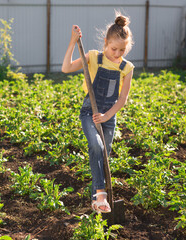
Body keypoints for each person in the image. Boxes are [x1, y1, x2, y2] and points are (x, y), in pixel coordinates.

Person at [61, 13, 134, 213]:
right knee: (95, 145)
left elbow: (122, 99)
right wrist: (72, 42)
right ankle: (101, 193)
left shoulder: (126, 67)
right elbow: (66, 68)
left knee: (103, 156)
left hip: (109, 116)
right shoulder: (93, 57)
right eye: (114, 48)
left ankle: (98, 201)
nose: (117, 53)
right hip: (89, 112)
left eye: (122, 49)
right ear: (105, 42)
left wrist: (107, 116)